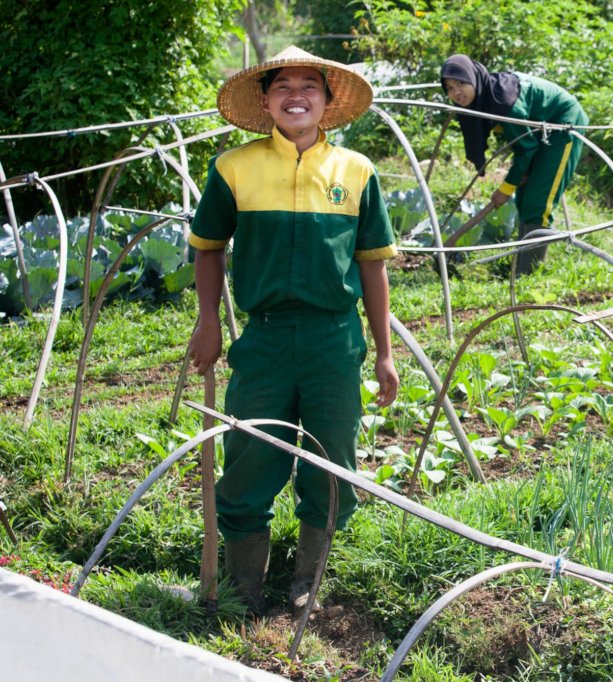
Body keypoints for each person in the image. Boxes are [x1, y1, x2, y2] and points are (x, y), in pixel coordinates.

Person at [188, 45, 399, 615]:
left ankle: (309, 575)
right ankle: (244, 583)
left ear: (328, 102)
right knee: (250, 450)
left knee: (333, 458)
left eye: (310, 85)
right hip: (266, 337)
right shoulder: (235, 167)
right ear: (265, 100)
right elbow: (207, 248)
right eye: (283, 86)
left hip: (335, 337)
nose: (296, 95)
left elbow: (372, 262)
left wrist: (384, 351)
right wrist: (209, 321)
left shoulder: (356, 171)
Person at [440, 54, 588, 275]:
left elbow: (525, 148)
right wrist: (520, 177)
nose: (456, 93)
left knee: (539, 201)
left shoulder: (503, 101)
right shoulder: (484, 98)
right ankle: (523, 264)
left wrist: (506, 188)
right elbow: (522, 144)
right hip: (538, 132)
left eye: (461, 83)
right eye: (450, 88)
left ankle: (528, 273)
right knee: (526, 198)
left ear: (473, 78)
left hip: (562, 125)